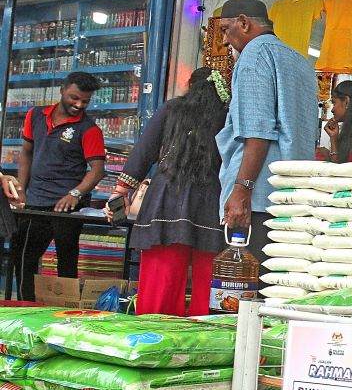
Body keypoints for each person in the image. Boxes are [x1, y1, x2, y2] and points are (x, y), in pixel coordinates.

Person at [108, 68, 228, 316]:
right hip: (212, 201)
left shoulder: (171, 109)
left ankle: (155, 333)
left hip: (166, 199)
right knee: (210, 279)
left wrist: (120, 192)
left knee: (161, 279)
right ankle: (205, 334)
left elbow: (143, 152)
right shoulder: (227, 116)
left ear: (189, 85)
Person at [216, 0, 318, 266]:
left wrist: (241, 191)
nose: (225, 41)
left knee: (240, 293)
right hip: (291, 197)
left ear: (244, 23)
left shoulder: (253, 57)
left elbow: (258, 132)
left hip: (257, 200)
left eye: (226, 30)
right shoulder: (299, 61)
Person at [11, 72, 105, 301]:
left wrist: (75, 194)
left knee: (66, 260)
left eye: (85, 101)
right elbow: (26, 153)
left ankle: (66, 310)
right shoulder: (35, 115)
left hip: (67, 208)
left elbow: (97, 170)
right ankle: (25, 306)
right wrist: (20, 190)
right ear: (62, 90)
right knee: (24, 258)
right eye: (75, 98)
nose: (79, 104)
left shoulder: (89, 129)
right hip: (35, 202)